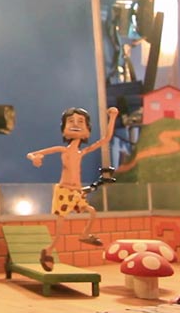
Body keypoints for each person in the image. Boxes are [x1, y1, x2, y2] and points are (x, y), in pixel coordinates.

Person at [26, 106, 118, 271]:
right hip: (64, 191)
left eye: (81, 121)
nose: (75, 124)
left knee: (91, 211)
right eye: (71, 121)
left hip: (77, 192)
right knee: (60, 229)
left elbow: (106, 139)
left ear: (87, 131)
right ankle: (48, 251)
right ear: (64, 130)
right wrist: (35, 158)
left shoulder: (82, 152)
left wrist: (112, 117)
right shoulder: (63, 150)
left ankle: (84, 235)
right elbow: (32, 153)